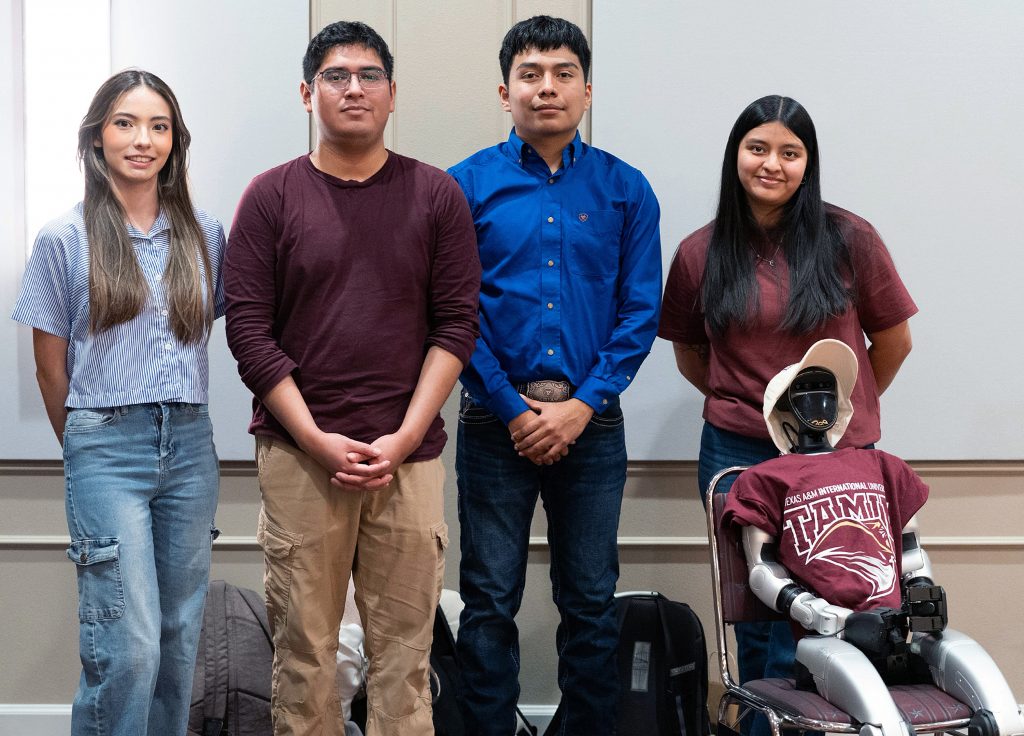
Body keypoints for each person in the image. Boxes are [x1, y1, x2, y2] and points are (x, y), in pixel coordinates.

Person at [224, 20, 480, 736]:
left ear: (393, 94)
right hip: (299, 459)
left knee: (405, 659)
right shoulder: (270, 197)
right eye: (336, 76)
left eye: (369, 76)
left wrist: (401, 439)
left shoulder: (436, 196)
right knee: (305, 659)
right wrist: (314, 438)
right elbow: (248, 331)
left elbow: (456, 326)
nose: (354, 89)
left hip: (409, 459)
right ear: (308, 93)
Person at [658, 94, 918, 734]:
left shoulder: (849, 238)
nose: (771, 163)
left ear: (809, 163)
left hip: (836, 460)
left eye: (789, 152)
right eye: (757, 147)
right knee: (757, 616)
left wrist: (834, 420)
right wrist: (751, 405)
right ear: (735, 155)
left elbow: (893, 342)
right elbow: (693, 352)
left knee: (834, 607)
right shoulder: (700, 251)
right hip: (737, 453)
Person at [447, 15, 662, 735]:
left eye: (563, 73)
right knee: (486, 601)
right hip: (490, 423)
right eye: (530, 74)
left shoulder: (627, 189)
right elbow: (455, 314)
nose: (547, 88)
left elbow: (639, 313)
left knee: (591, 602)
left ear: (588, 89)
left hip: (591, 427)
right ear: (504, 91)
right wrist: (511, 406)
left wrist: (583, 405)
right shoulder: (463, 187)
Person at [11, 70, 224, 736]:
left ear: (175, 142)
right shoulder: (63, 239)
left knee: (177, 638)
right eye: (126, 124)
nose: (143, 140)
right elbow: (52, 371)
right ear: (97, 138)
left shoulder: (204, 234)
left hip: (191, 447)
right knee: (126, 644)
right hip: (106, 447)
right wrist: (85, 446)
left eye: (159, 126)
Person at [723, 339, 1024, 736]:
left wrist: (920, 590)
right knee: (885, 728)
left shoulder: (884, 466)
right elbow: (762, 568)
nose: (818, 399)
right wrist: (810, 609)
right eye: (805, 390)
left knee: (1004, 713)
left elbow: (910, 550)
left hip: (901, 628)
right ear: (782, 409)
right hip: (831, 636)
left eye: (825, 388)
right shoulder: (763, 481)